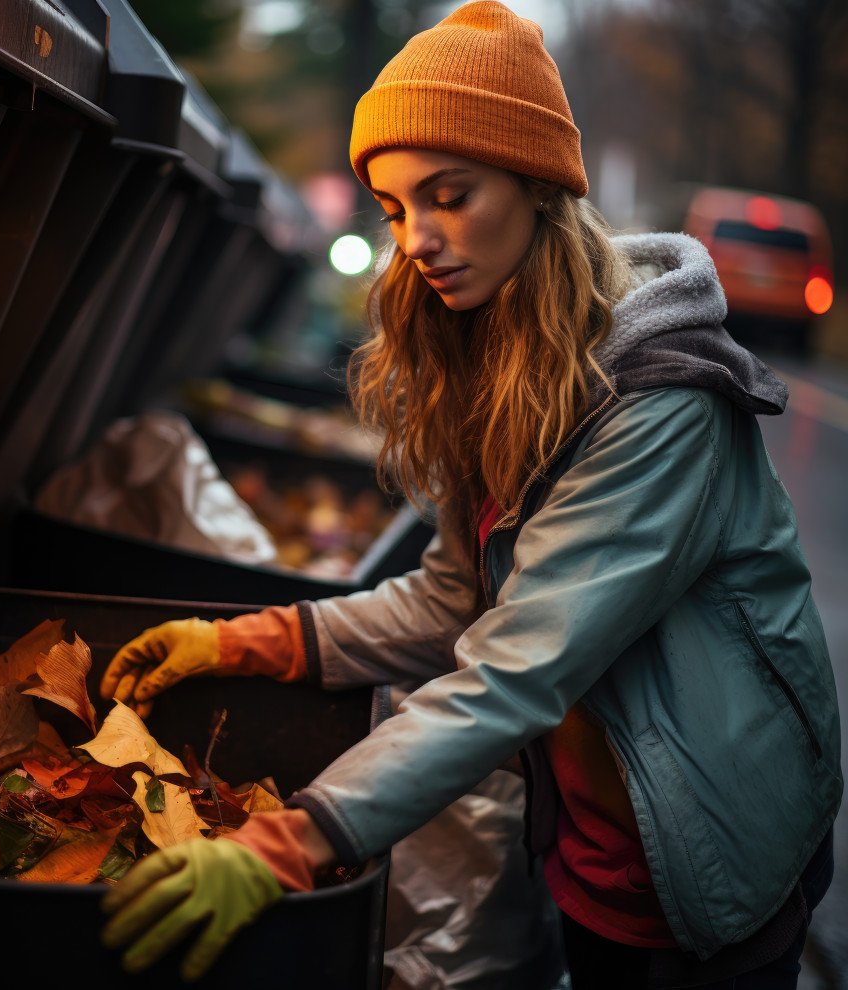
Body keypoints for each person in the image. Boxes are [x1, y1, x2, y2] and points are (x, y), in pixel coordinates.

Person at [97, 3, 842, 986]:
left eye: (449, 195)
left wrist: (287, 846)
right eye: (398, 209)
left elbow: (517, 666)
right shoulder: (499, 361)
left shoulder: (662, 404)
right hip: (593, 847)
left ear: (537, 187)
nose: (419, 239)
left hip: (712, 856)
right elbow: (457, 599)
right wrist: (249, 640)